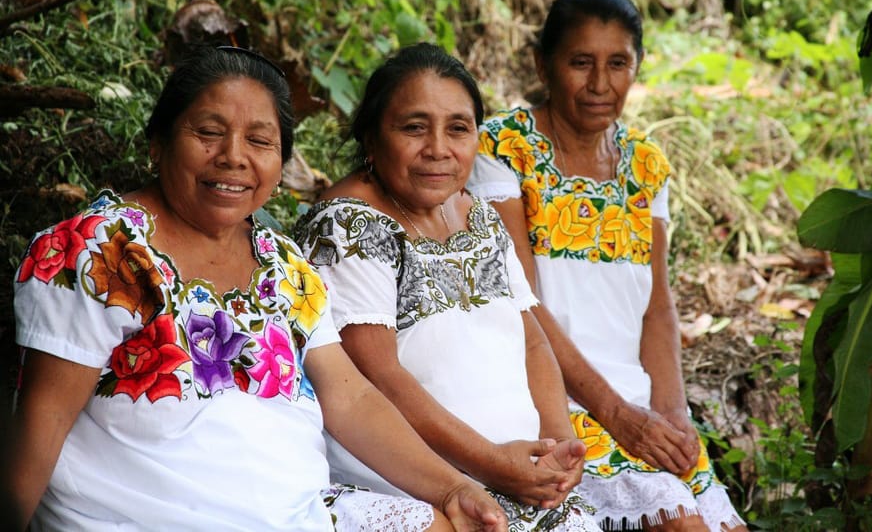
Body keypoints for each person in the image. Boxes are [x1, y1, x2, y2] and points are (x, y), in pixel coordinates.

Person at [4, 45, 509, 531]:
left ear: (281, 161)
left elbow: (350, 399)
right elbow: (41, 421)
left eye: (260, 141)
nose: (233, 157)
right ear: (157, 142)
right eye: (208, 132)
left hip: (296, 515)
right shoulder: (97, 251)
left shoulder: (282, 263)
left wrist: (449, 489)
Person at [467, 0, 748, 532]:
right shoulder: (503, 150)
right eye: (581, 62)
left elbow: (658, 310)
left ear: (637, 67)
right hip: (556, 406)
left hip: (642, 408)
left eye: (618, 63)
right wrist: (618, 415)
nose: (600, 84)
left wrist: (673, 417)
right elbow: (520, 302)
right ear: (542, 64)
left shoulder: (647, 165)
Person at [294, 43, 600, 531]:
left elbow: (533, 339)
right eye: (414, 128)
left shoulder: (478, 214)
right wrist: (493, 465)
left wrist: (559, 446)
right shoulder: (350, 226)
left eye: (458, 128)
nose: (438, 148)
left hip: (514, 476)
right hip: (418, 487)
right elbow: (380, 378)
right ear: (371, 138)